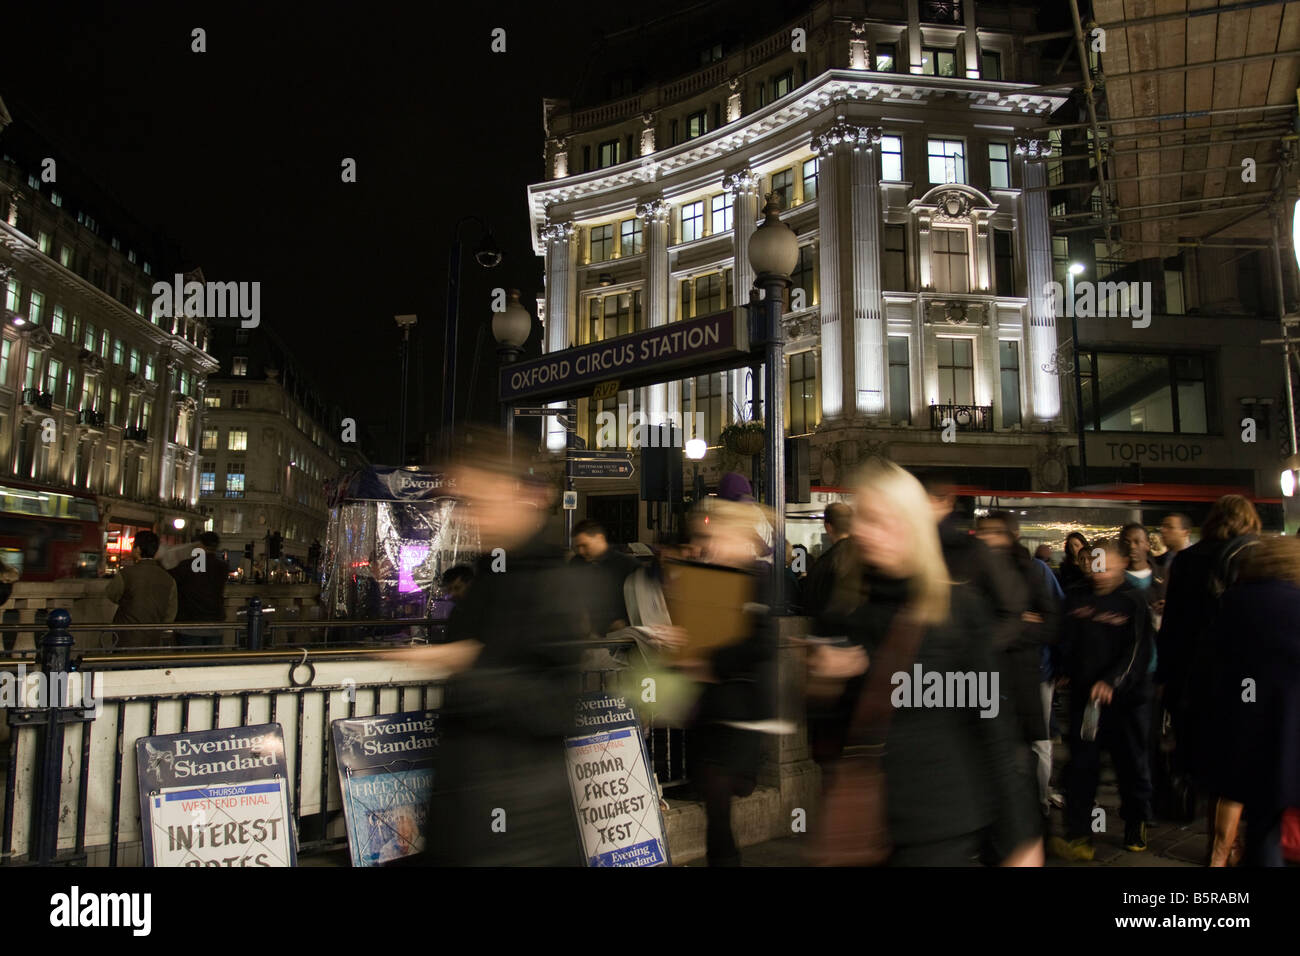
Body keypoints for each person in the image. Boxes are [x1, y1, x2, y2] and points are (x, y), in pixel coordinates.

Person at [809, 461, 1042, 866]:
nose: (864, 530)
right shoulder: (845, 612)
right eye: (862, 516)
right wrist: (823, 687)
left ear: (911, 526)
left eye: (879, 519)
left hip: (941, 828)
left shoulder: (957, 610)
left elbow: (995, 730)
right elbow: (826, 743)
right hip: (865, 826)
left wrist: (1020, 838)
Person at [413, 429, 587, 866]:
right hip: (471, 815)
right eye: (466, 503)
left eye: (480, 500)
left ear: (516, 495)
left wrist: (468, 667)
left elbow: (558, 705)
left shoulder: (552, 580)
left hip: (523, 828)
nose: (472, 515)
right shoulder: (490, 573)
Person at [669, 498, 778, 866]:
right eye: (705, 536)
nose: (709, 543)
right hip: (709, 709)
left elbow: (762, 644)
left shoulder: (757, 581)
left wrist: (709, 661)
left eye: (715, 535)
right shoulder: (703, 579)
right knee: (714, 803)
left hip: (739, 710)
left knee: (717, 800)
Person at [1156, 494, 1261, 852]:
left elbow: (1172, 626)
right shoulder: (1251, 557)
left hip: (1194, 675)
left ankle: (1220, 843)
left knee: (1210, 760)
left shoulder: (1186, 560)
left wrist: (1165, 678)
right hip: (1241, 674)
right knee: (1241, 759)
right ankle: (1231, 845)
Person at [1053, 539, 1154, 860]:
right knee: (1082, 766)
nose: (1101, 572)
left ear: (1122, 564)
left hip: (1127, 701)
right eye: (1096, 565)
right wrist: (1063, 668)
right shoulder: (1077, 597)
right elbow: (1065, 637)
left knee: (1131, 764)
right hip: (1085, 701)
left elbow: (1138, 651)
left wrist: (1113, 682)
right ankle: (1079, 835)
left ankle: (1135, 822)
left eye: (1108, 565)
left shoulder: (1133, 601)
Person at [1207, 536, 1300, 866]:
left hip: (1249, 724)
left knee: (1263, 820)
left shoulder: (1235, 601)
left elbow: (1216, 662)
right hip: (1292, 724)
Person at [976, 511, 1062, 824]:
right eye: (982, 532)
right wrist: (1018, 620)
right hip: (983, 678)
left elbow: (1051, 626)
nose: (986, 538)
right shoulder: (972, 574)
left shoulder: (1033, 571)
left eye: (994, 532)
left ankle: (1035, 810)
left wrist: (1006, 628)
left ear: (1011, 536)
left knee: (1033, 747)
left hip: (1026, 674)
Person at [105, 530, 177, 649]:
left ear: (138, 549)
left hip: (126, 636)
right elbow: (171, 611)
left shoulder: (126, 573)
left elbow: (112, 594)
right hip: (154, 637)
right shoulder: (168, 578)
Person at [569, 519, 640, 636]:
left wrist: (626, 621)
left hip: (619, 633)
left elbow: (640, 601)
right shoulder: (576, 563)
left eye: (585, 545)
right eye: (578, 547)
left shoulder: (627, 564)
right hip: (585, 634)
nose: (581, 551)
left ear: (600, 538)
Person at [802, 501, 857, 637]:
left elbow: (810, 605)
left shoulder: (822, 564)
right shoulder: (868, 557)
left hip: (831, 638)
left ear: (828, 527)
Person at [169, 532, 231, 647]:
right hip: (214, 621)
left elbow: (170, 578)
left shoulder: (187, 565)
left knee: (190, 660)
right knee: (211, 661)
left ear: (200, 545)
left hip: (190, 621)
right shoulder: (222, 567)